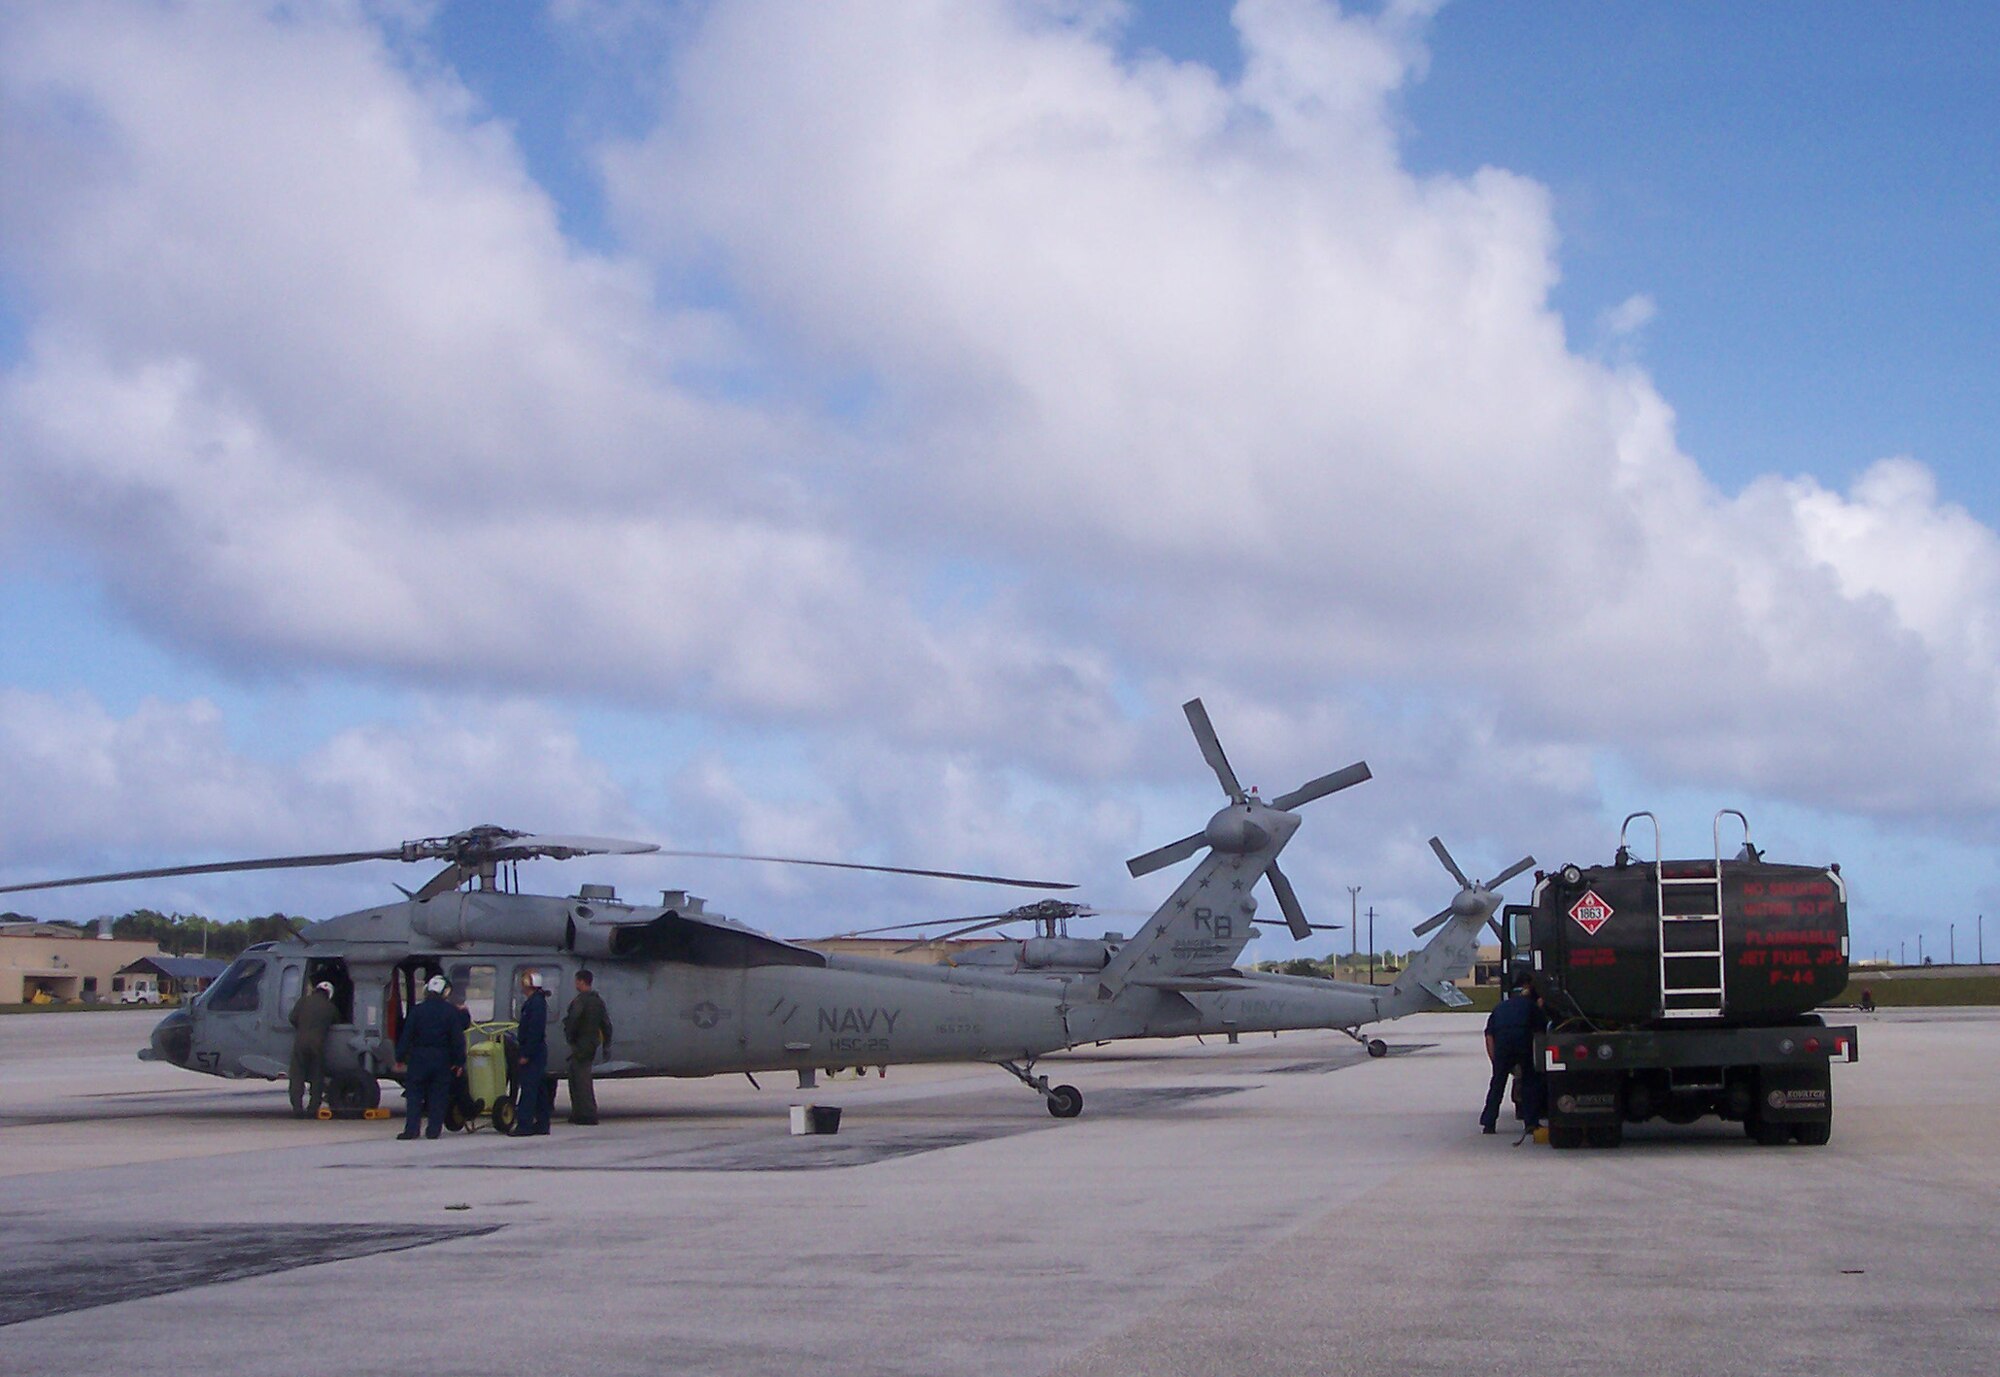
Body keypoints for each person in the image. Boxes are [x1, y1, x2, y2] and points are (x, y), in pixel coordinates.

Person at [393, 974, 465, 1140]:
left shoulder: (417, 1011)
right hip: (442, 1058)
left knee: (414, 1095)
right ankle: (433, 1130)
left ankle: (411, 1130)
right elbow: (457, 1039)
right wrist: (459, 1062)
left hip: (419, 1057)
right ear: (445, 992)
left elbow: (407, 1036)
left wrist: (399, 1057)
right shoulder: (450, 1012)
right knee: (438, 1096)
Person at [1480, 977, 1545, 1135]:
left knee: (1497, 1084)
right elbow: (1541, 1033)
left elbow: (1489, 1036)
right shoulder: (1531, 1006)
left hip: (1502, 1044)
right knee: (1529, 1082)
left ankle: (1489, 1123)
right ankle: (1531, 1123)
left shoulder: (1499, 1007)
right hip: (1523, 1040)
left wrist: (1496, 1062)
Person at [562, 970, 612, 1125]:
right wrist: (606, 1045)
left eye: (577, 981)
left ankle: (586, 1114)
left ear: (581, 982)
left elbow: (573, 1020)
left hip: (581, 1045)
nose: (576, 984)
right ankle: (580, 1113)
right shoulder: (598, 1001)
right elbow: (606, 1025)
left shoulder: (581, 1001)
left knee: (580, 1080)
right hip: (591, 1044)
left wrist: (570, 1036)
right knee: (579, 1077)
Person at [288, 979, 339, 1118]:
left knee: (297, 1075)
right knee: (317, 1076)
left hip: (300, 1042)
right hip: (318, 1044)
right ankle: (313, 1107)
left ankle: (297, 1108)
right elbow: (337, 1021)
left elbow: (292, 1018)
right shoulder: (330, 1007)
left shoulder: (303, 1001)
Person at [512, 971, 553, 1136]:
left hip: (533, 1052)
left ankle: (524, 1125)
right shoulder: (536, 1002)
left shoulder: (535, 1004)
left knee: (528, 1089)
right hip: (537, 1051)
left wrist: (526, 1054)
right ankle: (542, 1123)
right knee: (540, 1089)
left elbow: (534, 1031)